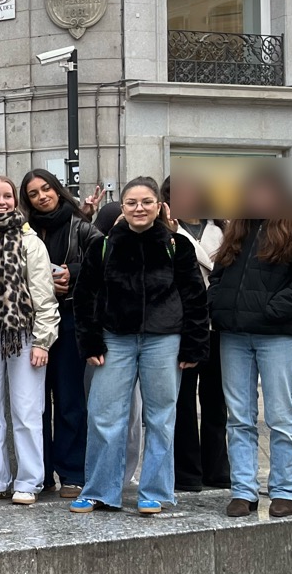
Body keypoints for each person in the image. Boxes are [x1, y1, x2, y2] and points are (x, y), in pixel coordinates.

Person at [70, 177, 209, 515]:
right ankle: (100, 490)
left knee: (161, 418)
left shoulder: (178, 245)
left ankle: (156, 491)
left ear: (159, 206)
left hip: (164, 340)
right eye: (131, 202)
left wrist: (193, 345)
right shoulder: (102, 246)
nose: (139, 208)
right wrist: (89, 340)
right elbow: (85, 297)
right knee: (104, 415)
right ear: (122, 208)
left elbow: (195, 297)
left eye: (146, 202)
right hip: (114, 339)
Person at [210, 176, 292, 518]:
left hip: (277, 336)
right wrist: (217, 305)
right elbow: (219, 275)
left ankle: (283, 490)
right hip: (233, 335)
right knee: (239, 418)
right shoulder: (239, 228)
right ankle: (244, 491)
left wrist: (270, 311)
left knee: (280, 417)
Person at [0, 174, 60, 504]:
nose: (1, 201)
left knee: (27, 411)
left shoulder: (30, 241)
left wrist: (42, 341)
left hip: (23, 337)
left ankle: (29, 481)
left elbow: (44, 296)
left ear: (15, 201)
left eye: (7, 196)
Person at [20, 169, 101, 500]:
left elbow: (105, 260)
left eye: (46, 188)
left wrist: (74, 272)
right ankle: (40, 471)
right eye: (34, 193)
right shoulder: (24, 231)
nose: (42, 196)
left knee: (69, 400)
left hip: (69, 321)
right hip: (34, 324)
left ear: (57, 190)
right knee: (36, 403)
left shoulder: (81, 226)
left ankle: (72, 472)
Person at [163, 176, 229, 492]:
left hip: (219, 326)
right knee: (182, 403)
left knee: (216, 402)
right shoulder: (167, 232)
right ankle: (187, 473)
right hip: (183, 327)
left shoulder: (225, 229)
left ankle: (216, 470)